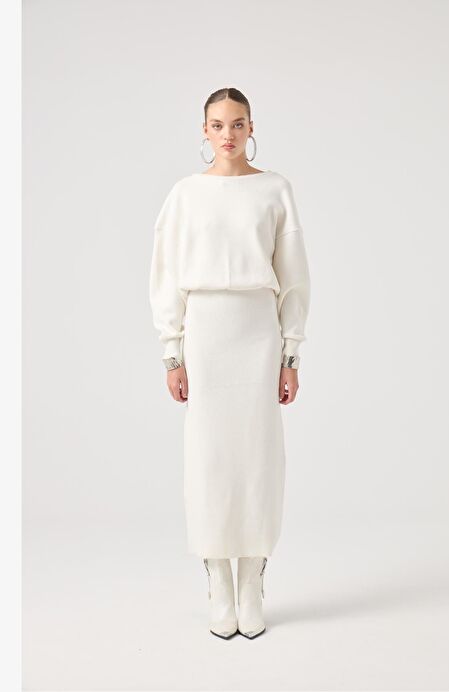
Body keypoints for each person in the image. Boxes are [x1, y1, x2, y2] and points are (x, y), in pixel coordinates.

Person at [149, 87, 311, 639]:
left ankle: (252, 578)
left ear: (251, 127)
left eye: (237, 124)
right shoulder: (185, 195)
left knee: (259, 454)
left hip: (258, 331)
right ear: (204, 130)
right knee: (210, 455)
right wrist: (172, 350)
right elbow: (167, 274)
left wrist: (291, 352)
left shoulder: (275, 189)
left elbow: (294, 276)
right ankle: (218, 576)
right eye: (217, 125)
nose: (228, 134)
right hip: (206, 333)